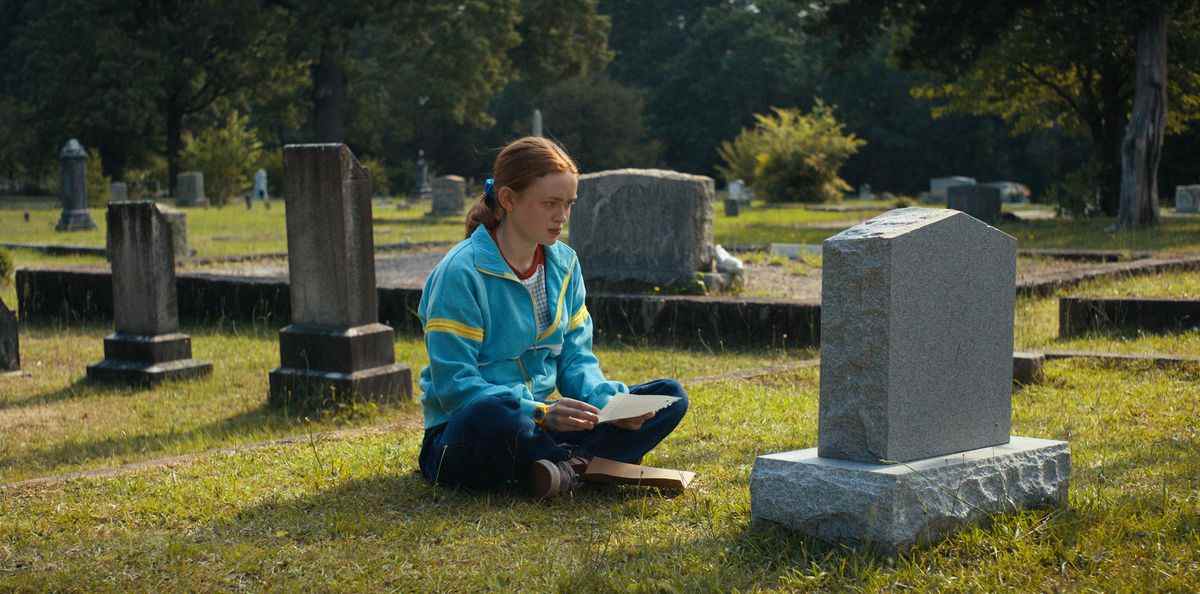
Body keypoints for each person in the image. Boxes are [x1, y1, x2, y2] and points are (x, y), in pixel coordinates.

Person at [416, 137, 689, 498]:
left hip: (542, 429)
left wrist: (609, 405)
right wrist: (541, 412)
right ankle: (583, 464)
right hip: (469, 432)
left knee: (669, 396)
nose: (561, 216)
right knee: (496, 415)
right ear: (509, 199)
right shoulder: (460, 272)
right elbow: (455, 387)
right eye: (549, 204)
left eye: (568, 204)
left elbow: (576, 359)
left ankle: (558, 468)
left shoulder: (564, 264)